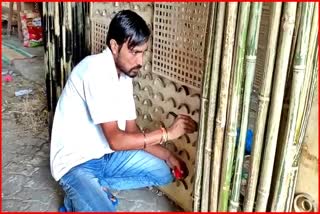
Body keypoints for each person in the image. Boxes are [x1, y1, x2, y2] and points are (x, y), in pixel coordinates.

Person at [50, 10, 197, 211]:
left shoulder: (124, 76)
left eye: (143, 52)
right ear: (114, 46)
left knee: (163, 171)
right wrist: (167, 134)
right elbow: (117, 140)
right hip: (75, 165)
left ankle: (94, 189)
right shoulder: (95, 70)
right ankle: (81, 195)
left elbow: (131, 133)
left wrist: (167, 156)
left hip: (106, 157)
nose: (140, 61)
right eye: (134, 52)